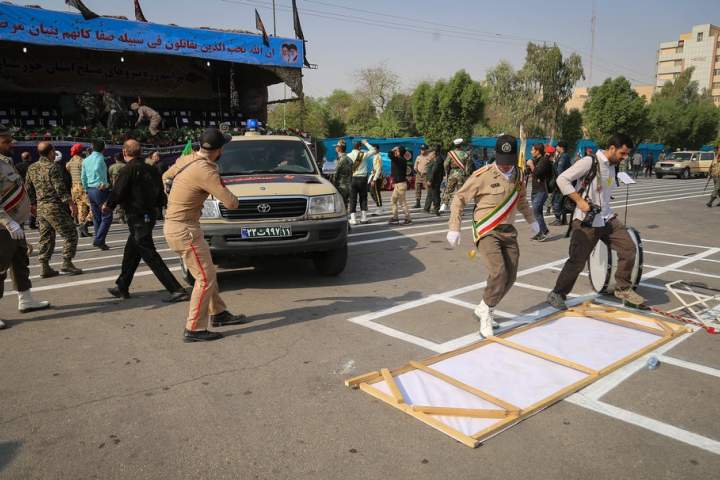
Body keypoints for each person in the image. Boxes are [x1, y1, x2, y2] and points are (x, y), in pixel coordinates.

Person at [446, 134, 539, 337]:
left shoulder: (519, 175)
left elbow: (521, 200)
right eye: (501, 162)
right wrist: (454, 227)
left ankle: (483, 305)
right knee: (498, 272)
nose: (505, 166)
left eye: (509, 162)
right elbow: (460, 198)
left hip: (508, 231)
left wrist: (532, 220)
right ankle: (488, 313)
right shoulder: (483, 175)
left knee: (511, 275)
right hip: (487, 230)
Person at [163, 128, 248, 342]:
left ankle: (218, 313)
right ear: (219, 150)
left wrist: (175, 193)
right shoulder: (207, 170)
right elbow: (230, 202)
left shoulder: (187, 159)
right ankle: (194, 329)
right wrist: (237, 200)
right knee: (205, 278)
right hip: (185, 230)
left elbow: (165, 176)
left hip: (178, 226)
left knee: (207, 272)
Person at [547, 133, 645, 310]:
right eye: (622, 153)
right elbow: (562, 179)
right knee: (577, 260)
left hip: (607, 218)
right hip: (586, 220)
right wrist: (579, 201)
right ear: (612, 148)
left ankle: (623, 288)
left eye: (627, 154)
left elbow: (603, 191)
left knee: (629, 249)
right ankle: (557, 293)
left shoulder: (613, 166)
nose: (625, 157)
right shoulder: (589, 161)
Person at [103, 140, 189, 302]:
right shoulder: (151, 168)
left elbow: (118, 191)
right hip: (150, 214)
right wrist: (161, 207)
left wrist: (108, 205)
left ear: (124, 152)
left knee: (149, 253)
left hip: (136, 215)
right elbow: (160, 191)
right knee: (132, 251)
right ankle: (122, 286)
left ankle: (176, 289)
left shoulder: (128, 169)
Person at [0, 126, 51, 328]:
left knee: (20, 262)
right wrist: (8, 222)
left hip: (15, 225)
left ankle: (26, 299)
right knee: (0, 269)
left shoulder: (5, 161)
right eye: (6, 141)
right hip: (4, 227)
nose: (11, 144)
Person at [25, 141, 83, 277]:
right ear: (51, 152)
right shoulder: (53, 167)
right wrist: (71, 204)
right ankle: (67, 263)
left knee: (46, 237)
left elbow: (28, 188)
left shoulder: (32, 168)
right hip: (54, 207)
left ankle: (45, 267)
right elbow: (60, 189)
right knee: (71, 233)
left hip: (41, 207)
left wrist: (32, 204)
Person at [82, 139, 113, 250]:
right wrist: (105, 184)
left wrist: (86, 189)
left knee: (97, 217)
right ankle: (99, 240)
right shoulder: (100, 158)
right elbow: (99, 172)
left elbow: (83, 177)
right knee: (107, 215)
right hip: (100, 189)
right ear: (103, 148)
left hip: (90, 189)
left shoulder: (86, 160)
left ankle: (101, 242)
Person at [66, 143, 93, 237]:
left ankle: (81, 231)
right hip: (82, 186)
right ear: (80, 151)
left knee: (81, 208)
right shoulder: (83, 161)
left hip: (74, 188)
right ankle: (85, 224)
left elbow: (68, 169)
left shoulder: (70, 162)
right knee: (94, 206)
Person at [347, 140, 376, 225]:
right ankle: (364, 218)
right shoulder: (362, 154)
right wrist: (366, 143)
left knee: (352, 199)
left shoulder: (348, 155)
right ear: (360, 147)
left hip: (353, 179)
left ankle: (353, 219)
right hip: (363, 179)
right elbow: (374, 151)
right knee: (363, 198)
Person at [526, 143, 551, 241]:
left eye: (532, 150)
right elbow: (530, 172)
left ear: (537, 151)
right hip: (535, 189)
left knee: (536, 211)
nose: (531, 152)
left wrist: (531, 165)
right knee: (537, 212)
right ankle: (540, 231)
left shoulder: (544, 160)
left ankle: (544, 231)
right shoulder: (536, 160)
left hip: (542, 190)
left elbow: (538, 173)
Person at [440, 138, 472, 212]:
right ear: (461, 145)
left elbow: (445, 164)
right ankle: (460, 208)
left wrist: (447, 171)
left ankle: (444, 205)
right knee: (460, 191)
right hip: (462, 174)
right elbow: (468, 167)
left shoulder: (451, 154)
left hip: (453, 173)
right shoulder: (466, 154)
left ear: (455, 145)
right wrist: (466, 174)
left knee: (449, 189)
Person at [388, 146, 411, 225]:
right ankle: (395, 217)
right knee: (393, 200)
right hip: (398, 184)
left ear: (399, 152)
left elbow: (390, 155)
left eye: (396, 151)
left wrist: (392, 149)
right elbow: (392, 158)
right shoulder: (398, 159)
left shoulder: (400, 160)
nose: (395, 152)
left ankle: (408, 218)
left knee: (402, 202)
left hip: (400, 184)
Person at [551, 141, 572, 226]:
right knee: (562, 201)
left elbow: (560, 170)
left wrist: (558, 183)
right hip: (564, 182)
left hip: (561, 183)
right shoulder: (564, 156)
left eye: (557, 146)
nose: (556, 148)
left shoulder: (563, 157)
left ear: (561, 147)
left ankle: (558, 219)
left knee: (556, 200)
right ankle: (563, 219)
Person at [14, 151, 36, 229]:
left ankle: (21, 222)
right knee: (34, 205)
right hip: (32, 188)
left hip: (21, 188)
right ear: (29, 157)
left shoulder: (17, 166)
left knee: (22, 206)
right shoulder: (33, 166)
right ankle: (32, 223)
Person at [332, 140, 351, 211]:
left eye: (336, 147)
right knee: (345, 205)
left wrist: (332, 185)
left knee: (340, 207)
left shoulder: (340, 160)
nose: (335, 148)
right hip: (348, 186)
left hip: (340, 186)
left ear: (339, 148)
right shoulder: (349, 159)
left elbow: (335, 174)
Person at [425, 145, 444, 215]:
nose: (430, 153)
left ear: (435, 152)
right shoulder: (434, 159)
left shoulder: (438, 159)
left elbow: (434, 170)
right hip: (433, 179)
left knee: (435, 194)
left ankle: (436, 209)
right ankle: (426, 208)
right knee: (430, 194)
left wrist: (430, 180)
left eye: (432, 152)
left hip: (435, 180)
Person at [414, 144, 433, 209]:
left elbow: (432, 167)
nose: (422, 151)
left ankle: (429, 203)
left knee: (428, 189)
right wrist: (417, 171)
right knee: (417, 188)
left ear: (426, 150)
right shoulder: (418, 157)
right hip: (419, 175)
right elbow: (415, 166)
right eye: (421, 149)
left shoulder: (430, 157)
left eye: (424, 149)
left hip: (426, 175)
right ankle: (418, 203)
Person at [368, 144, 384, 215]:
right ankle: (379, 206)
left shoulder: (378, 157)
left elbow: (379, 169)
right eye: (373, 149)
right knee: (372, 192)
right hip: (374, 175)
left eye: (375, 149)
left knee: (376, 193)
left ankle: (379, 208)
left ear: (378, 150)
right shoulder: (375, 156)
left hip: (377, 177)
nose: (373, 151)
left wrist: (374, 179)